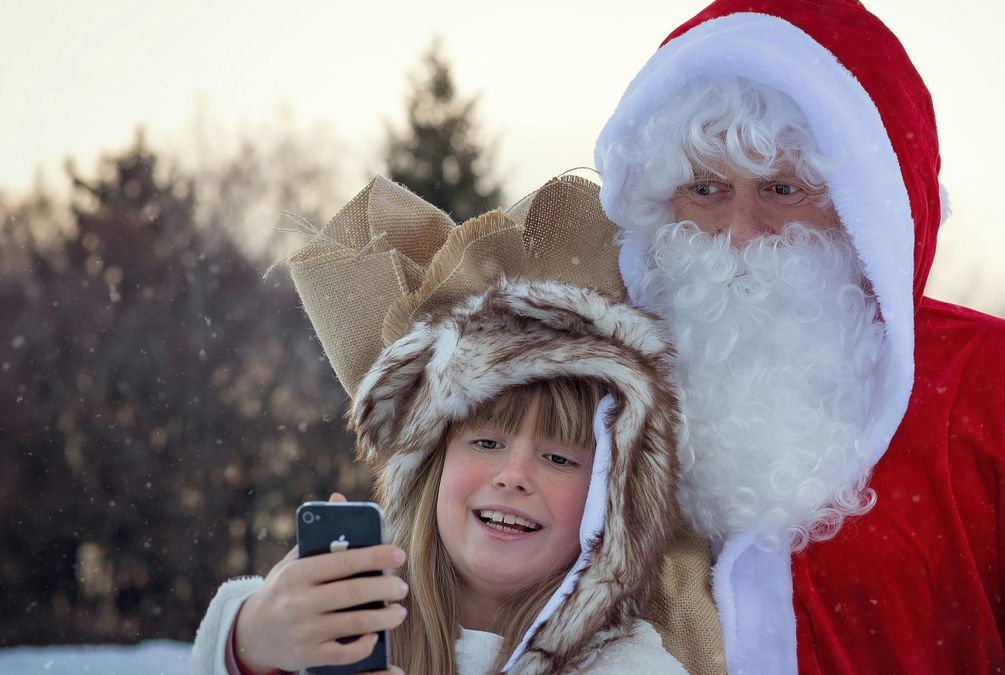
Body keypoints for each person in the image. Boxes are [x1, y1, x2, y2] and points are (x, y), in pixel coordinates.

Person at [593, 0, 1005, 673]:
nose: (740, 234)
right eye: (705, 188)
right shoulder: (581, 397)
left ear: (864, 208)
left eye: (783, 189)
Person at [191, 176, 687, 674]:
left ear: (610, 503)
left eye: (558, 458)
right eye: (487, 441)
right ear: (431, 464)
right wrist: (250, 641)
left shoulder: (631, 666)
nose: (512, 475)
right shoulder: (336, 631)